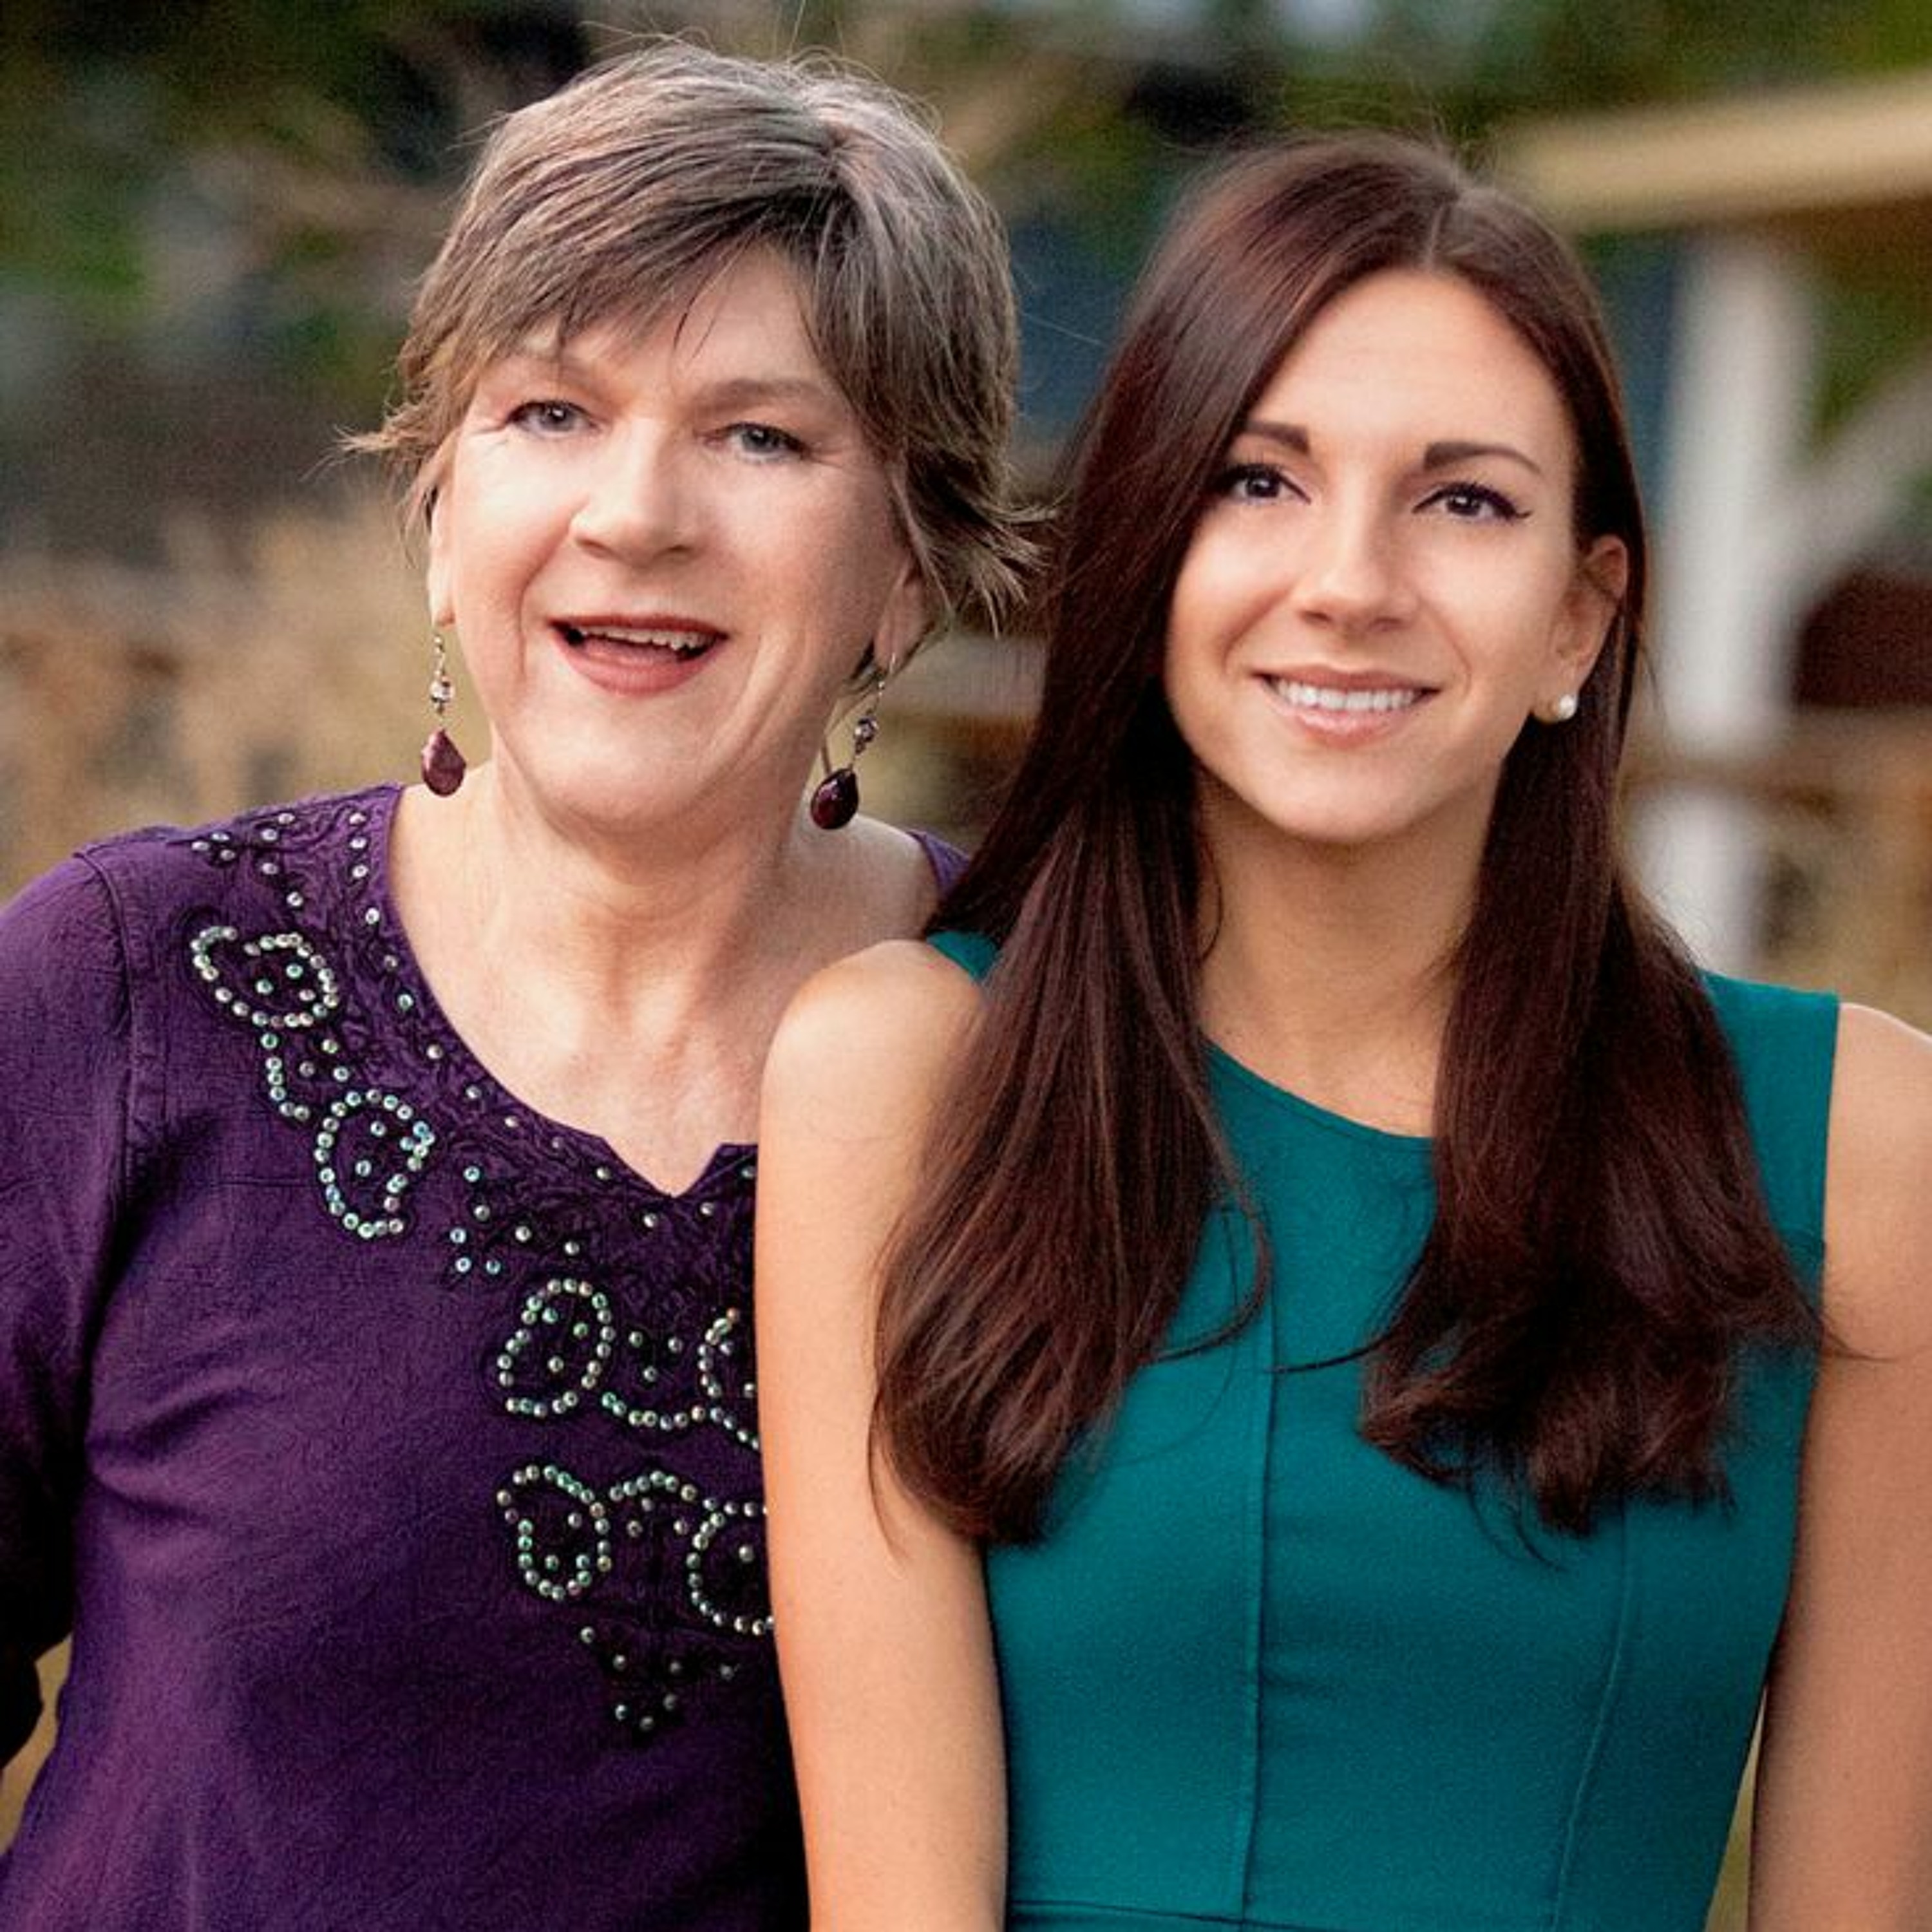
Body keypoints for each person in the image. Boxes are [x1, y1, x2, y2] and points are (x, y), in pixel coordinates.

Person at [757, 132, 1932, 1931]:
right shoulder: (904, 1074)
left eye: (1464, 502)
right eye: (1259, 481)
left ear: (1580, 617)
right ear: (1149, 550)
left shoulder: (1862, 1141)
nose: (1351, 581)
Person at [0, 41, 1029, 1931]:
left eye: (762, 437)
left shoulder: (1052, 1047)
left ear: (909, 567)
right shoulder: (138, 990)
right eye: (552, 410)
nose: (638, 512)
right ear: (440, 507)